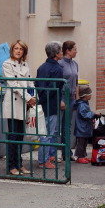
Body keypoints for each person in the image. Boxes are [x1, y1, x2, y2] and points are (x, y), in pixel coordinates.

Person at [1, 40, 36, 175]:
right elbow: (14, 84)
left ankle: (19, 163)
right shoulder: (7, 64)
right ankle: (11, 165)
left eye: (21, 49)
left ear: (24, 51)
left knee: (20, 136)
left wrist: (35, 96)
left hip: (25, 103)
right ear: (12, 50)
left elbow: (31, 82)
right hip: (14, 103)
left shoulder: (25, 64)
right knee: (13, 136)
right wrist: (29, 98)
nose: (18, 51)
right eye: (16, 48)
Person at [35, 41, 66, 169]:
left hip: (41, 103)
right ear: (56, 54)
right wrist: (44, 99)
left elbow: (38, 85)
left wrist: (40, 100)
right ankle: (44, 160)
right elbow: (54, 88)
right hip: (51, 104)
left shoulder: (42, 67)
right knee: (48, 134)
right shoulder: (57, 69)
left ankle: (44, 158)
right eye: (60, 51)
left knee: (43, 132)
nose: (62, 53)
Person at [58, 40, 79, 161]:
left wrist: (76, 97)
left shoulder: (75, 64)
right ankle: (55, 152)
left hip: (71, 98)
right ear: (68, 51)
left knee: (67, 125)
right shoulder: (60, 64)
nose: (76, 51)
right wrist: (60, 99)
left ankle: (67, 153)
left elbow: (76, 82)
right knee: (58, 125)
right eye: (74, 49)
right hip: (62, 97)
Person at [73, 85, 101, 163]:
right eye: (90, 94)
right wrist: (94, 114)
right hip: (81, 128)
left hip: (84, 127)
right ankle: (79, 157)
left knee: (84, 143)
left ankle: (83, 156)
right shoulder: (82, 105)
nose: (91, 95)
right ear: (85, 95)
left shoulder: (85, 103)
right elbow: (84, 115)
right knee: (81, 144)